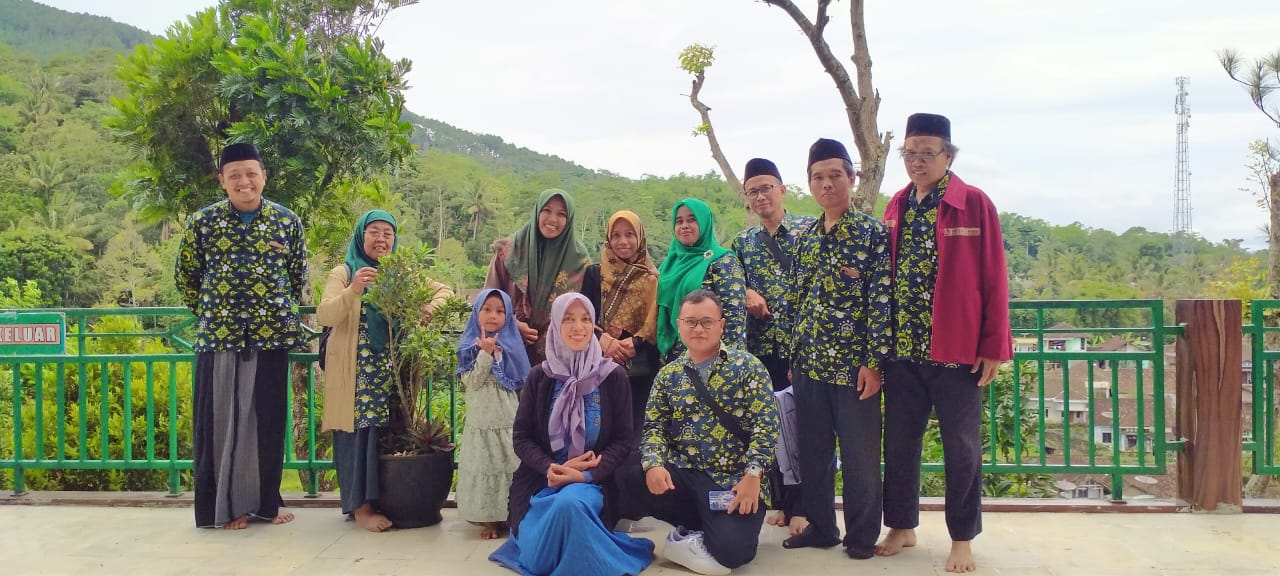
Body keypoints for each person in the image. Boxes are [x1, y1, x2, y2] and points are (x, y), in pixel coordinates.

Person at [875, 113, 1012, 574]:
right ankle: (901, 525)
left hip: (955, 353)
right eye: (910, 154)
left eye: (927, 153)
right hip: (903, 352)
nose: (917, 161)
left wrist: (994, 346)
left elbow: (994, 278)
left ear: (948, 156)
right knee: (899, 443)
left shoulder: (973, 204)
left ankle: (962, 537)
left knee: (961, 448)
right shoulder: (896, 204)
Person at [177, 142, 305, 529]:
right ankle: (225, 509)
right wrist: (218, 312)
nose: (244, 182)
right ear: (222, 181)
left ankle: (266, 505)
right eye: (235, 175)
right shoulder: (203, 221)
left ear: (264, 176)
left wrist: (273, 309)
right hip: (219, 338)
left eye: (251, 173)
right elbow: (187, 277)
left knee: (266, 423)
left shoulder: (287, 222)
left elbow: (297, 277)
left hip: (271, 338)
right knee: (220, 424)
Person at [490, 293, 654, 576]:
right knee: (540, 558)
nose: (578, 327)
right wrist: (551, 467)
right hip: (540, 484)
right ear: (555, 324)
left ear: (593, 326)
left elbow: (623, 441)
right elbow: (522, 437)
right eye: (568, 318)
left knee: (571, 504)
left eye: (585, 319)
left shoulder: (612, 376)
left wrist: (584, 476)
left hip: (591, 484)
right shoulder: (540, 377)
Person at [784, 138, 892, 559]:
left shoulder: (871, 234)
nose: (826, 184)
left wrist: (873, 363)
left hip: (853, 369)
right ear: (809, 184)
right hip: (809, 366)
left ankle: (862, 536)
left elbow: (881, 302)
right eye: (818, 177)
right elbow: (796, 301)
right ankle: (822, 527)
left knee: (861, 457)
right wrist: (795, 358)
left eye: (834, 175)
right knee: (814, 453)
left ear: (851, 178)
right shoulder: (806, 237)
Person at [621, 290, 779, 575]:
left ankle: (706, 530)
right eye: (690, 322)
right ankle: (699, 526)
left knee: (734, 552)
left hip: (733, 480)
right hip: (686, 473)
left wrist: (753, 475)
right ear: (679, 325)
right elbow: (654, 427)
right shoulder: (669, 375)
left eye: (707, 322)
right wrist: (654, 464)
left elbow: (766, 427)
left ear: (722, 325)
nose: (698, 329)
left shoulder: (748, 368)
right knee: (629, 471)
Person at [317, 210, 452, 532]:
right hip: (355, 372)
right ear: (361, 236)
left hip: (392, 371)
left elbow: (445, 291)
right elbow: (325, 314)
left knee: (387, 432)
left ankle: (387, 501)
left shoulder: (400, 273)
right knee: (357, 435)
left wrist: (429, 309)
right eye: (374, 232)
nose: (381, 239)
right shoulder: (345, 271)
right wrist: (353, 291)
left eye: (387, 234)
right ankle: (360, 507)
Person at [728, 157, 816, 536]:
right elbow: (732, 282)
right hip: (761, 350)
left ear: (782, 189)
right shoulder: (743, 242)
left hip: (804, 348)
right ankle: (779, 501)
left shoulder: (808, 230)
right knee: (769, 427)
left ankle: (806, 506)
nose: (760, 196)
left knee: (806, 428)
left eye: (766, 188)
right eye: (752, 191)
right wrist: (746, 289)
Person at [455, 289, 531, 540]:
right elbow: (472, 382)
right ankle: (488, 520)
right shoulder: (469, 345)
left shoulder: (513, 345)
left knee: (509, 464)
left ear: (508, 316)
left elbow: (519, 382)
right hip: (481, 420)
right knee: (485, 465)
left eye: (500, 311)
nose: (493, 316)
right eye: (487, 309)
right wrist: (485, 354)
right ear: (477, 312)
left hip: (507, 417)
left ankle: (512, 515)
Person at [485, 189, 592, 364]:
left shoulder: (579, 261)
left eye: (561, 214)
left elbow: (585, 312)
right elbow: (487, 299)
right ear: (537, 212)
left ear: (569, 219)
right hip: (506, 353)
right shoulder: (510, 252)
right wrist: (512, 324)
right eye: (547, 211)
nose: (552, 219)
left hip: (557, 358)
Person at [580, 210, 660, 440]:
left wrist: (636, 343)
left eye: (629, 234)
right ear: (608, 239)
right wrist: (604, 340)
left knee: (636, 432)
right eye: (616, 235)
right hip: (600, 363)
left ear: (640, 238)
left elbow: (655, 321)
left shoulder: (652, 278)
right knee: (603, 429)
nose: (622, 241)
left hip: (641, 368)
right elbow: (585, 316)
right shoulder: (595, 274)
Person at [655, 198, 747, 363]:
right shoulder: (668, 264)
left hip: (710, 361)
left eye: (692, 220)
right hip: (671, 362)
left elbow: (734, 321)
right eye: (679, 221)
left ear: (704, 223)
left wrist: (729, 367)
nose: (684, 225)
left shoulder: (723, 261)